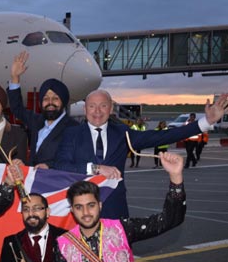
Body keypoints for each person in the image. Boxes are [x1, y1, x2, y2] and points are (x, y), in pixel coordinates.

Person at [52, 152, 185, 262]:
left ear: (100, 205)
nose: (86, 212)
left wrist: (175, 176)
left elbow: (168, 220)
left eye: (90, 205)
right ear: (72, 211)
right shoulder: (63, 243)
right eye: (79, 207)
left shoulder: (122, 229)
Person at [54, 90, 228, 219]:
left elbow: (162, 136)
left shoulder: (123, 133)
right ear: (85, 109)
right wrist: (96, 168)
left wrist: (206, 122)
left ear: (111, 108)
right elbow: (60, 166)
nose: (97, 111)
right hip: (80, 212)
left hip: (115, 209)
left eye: (103, 106)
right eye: (92, 106)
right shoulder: (72, 134)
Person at [7, 51, 79, 169]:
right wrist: (15, 77)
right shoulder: (37, 121)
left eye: (55, 98)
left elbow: (75, 160)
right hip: (32, 182)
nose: (50, 102)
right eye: (46, 99)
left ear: (63, 101)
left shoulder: (73, 128)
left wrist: (49, 166)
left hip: (55, 184)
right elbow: (17, 108)